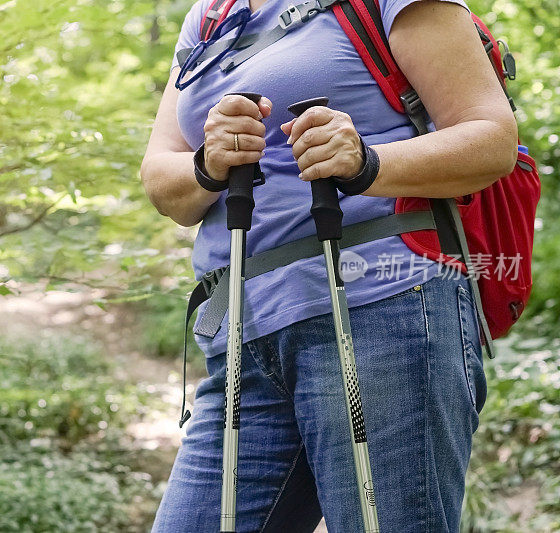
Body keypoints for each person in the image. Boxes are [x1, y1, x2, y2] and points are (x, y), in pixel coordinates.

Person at [140, 0, 518, 531]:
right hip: (244, 337)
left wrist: (367, 162)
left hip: (384, 312)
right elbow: (164, 185)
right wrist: (208, 161)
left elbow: (493, 139)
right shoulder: (209, 17)